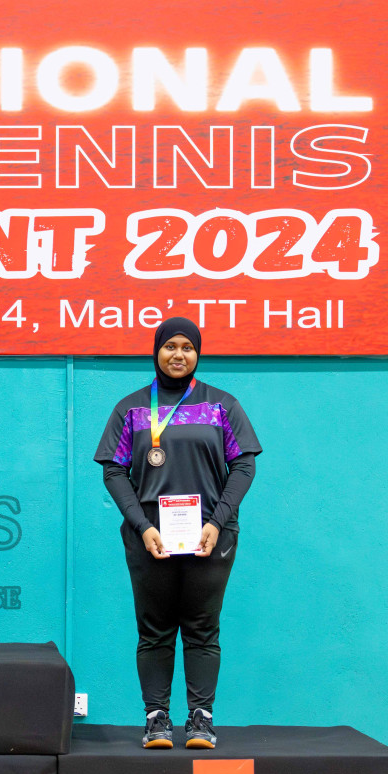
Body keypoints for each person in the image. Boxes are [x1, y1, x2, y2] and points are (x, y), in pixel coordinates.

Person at [93, 317, 261, 750]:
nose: (179, 354)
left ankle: (201, 719)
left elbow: (244, 466)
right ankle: (156, 719)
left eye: (188, 346)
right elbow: (113, 471)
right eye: (171, 346)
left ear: (198, 354)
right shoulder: (131, 408)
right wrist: (142, 526)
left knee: (203, 628)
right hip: (151, 538)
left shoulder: (221, 405)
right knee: (155, 630)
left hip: (210, 535)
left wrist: (217, 520)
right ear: (156, 351)